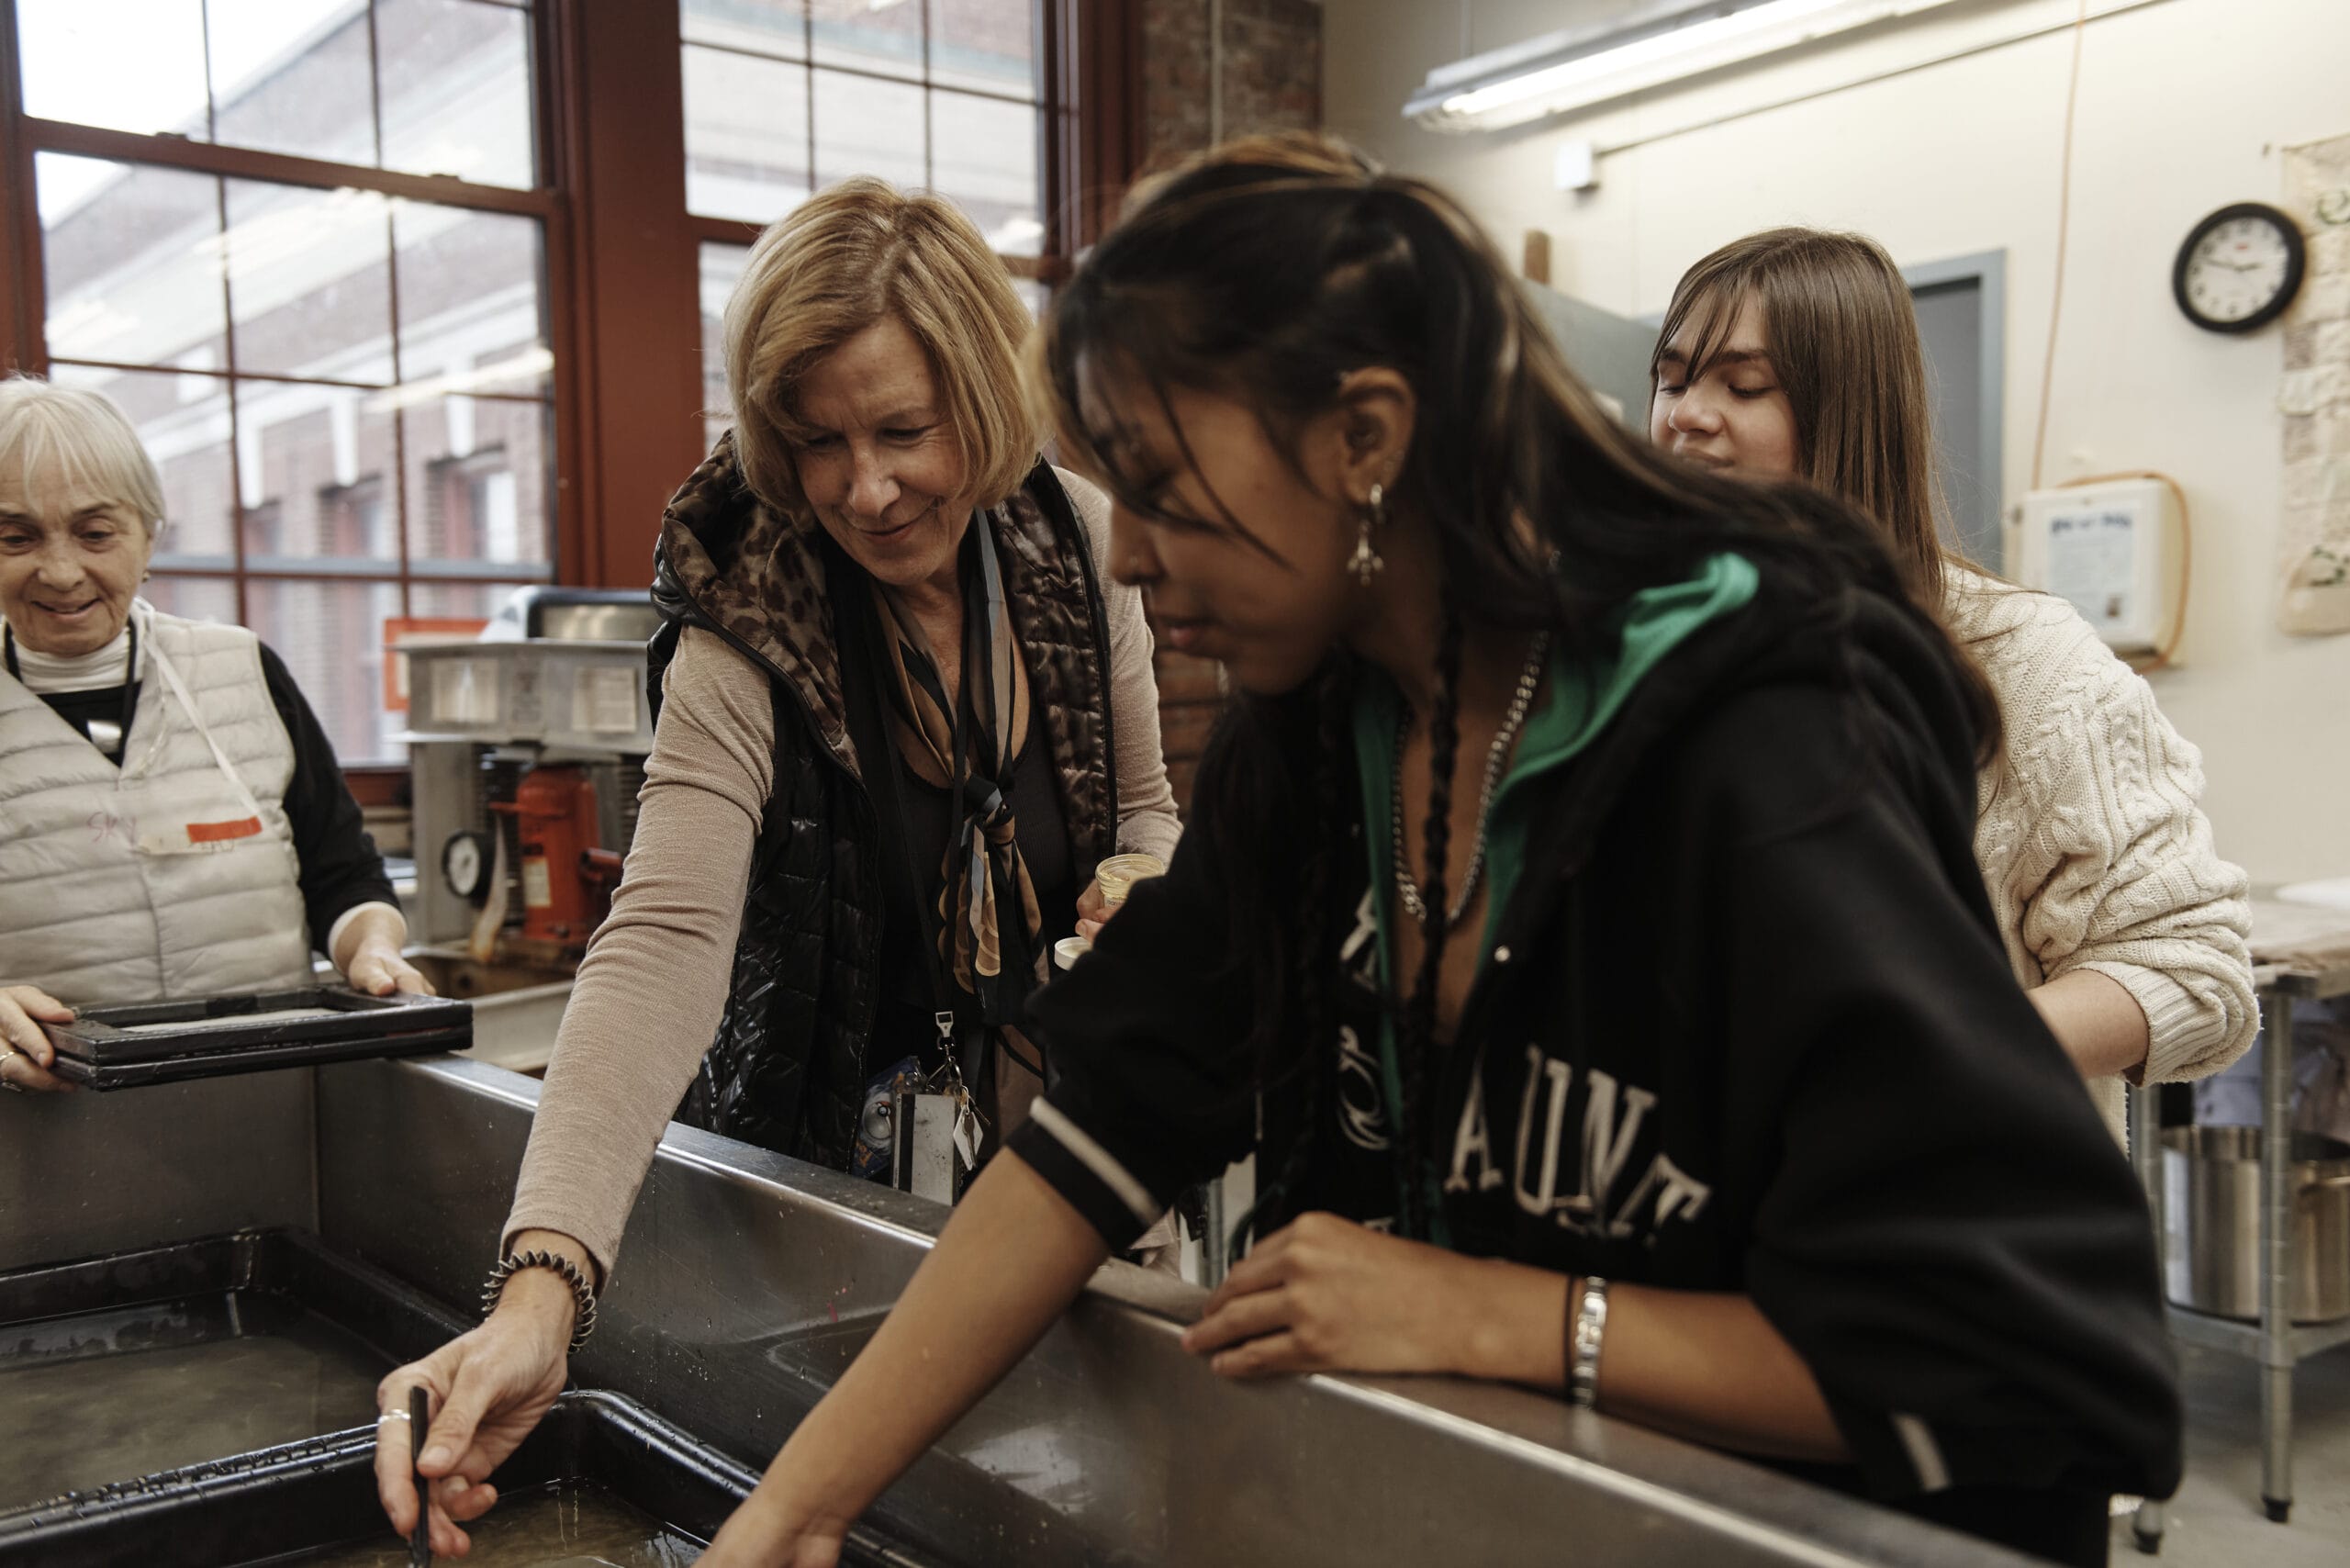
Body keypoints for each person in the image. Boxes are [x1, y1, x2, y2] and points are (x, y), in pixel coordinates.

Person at [380, 135, 2181, 1567]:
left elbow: (2020, 1365)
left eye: (1161, 488)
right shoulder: (1338, 731)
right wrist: (795, 1506)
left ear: (1368, 442)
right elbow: (1097, 1132)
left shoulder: (1754, 734)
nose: (1136, 563)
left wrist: (1494, 1308)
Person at [371, 176, 1184, 1553]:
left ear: (982, 398)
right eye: (818, 443)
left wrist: (1144, 887)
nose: (865, 489)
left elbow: (1149, 815)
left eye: (904, 431)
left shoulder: (1080, 546)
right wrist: (538, 1293)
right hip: (822, 1219)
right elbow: (665, 939)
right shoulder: (748, 608)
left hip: (1068, 1181)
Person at [1650, 228, 2255, 1147]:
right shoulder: (1623, 639)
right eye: (1670, 378)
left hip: (1934, 1221)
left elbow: (2192, 969)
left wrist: (1937, 1053)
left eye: (1741, 386)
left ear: (1844, 412)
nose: (1685, 415)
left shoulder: (2023, 661)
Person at [0, 377, 426, 1094]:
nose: (63, 570)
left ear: (149, 534)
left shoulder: (243, 670)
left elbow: (342, 876)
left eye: (97, 532)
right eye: (16, 536)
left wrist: (372, 949)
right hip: (40, 1137)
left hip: (268, 1109)